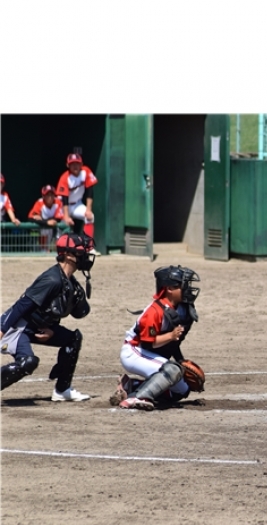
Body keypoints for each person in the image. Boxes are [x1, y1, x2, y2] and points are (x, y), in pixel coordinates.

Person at [1, 233, 95, 400]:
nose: (85, 256)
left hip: (38, 327)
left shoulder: (69, 283)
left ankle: (62, 390)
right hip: (18, 327)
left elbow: (70, 311)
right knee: (28, 362)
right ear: (68, 255)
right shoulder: (52, 280)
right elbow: (21, 306)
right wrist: (1, 331)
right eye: (81, 252)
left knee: (73, 339)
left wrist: (52, 329)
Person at [110, 265, 201, 411]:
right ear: (169, 289)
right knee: (173, 370)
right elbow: (148, 344)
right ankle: (137, 397)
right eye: (184, 285)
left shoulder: (182, 309)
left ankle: (132, 385)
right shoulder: (154, 312)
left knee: (181, 390)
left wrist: (181, 362)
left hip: (149, 353)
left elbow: (173, 345)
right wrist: (171, 336)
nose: (188, 289)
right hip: (134, 352)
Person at [55, 153, 101, 254]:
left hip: (77, 204)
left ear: (81, 164)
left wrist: (88, 210)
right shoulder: (65, 177)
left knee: (90, 217)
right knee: (62, 225)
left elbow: (90, 191)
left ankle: (88, 248)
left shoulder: (86, 171)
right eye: (72, 164)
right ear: (68, 165)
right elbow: (64, 199)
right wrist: (66, 216)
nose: (75, 166)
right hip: (63, 205)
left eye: (77, 163)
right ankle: (59, 248)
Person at [28, 185, 66, 251]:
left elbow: (59, 218)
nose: (50, 197)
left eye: (52, 195)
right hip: (45, 227)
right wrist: (46, 222)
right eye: (48, 195)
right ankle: (44, 250)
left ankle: (59, 247)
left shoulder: (58, 202)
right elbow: (30, 217)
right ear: (43, 196)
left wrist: (43, 220)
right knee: (45, 229)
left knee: (63, 224)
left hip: (56, 226)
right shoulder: (39, 202)